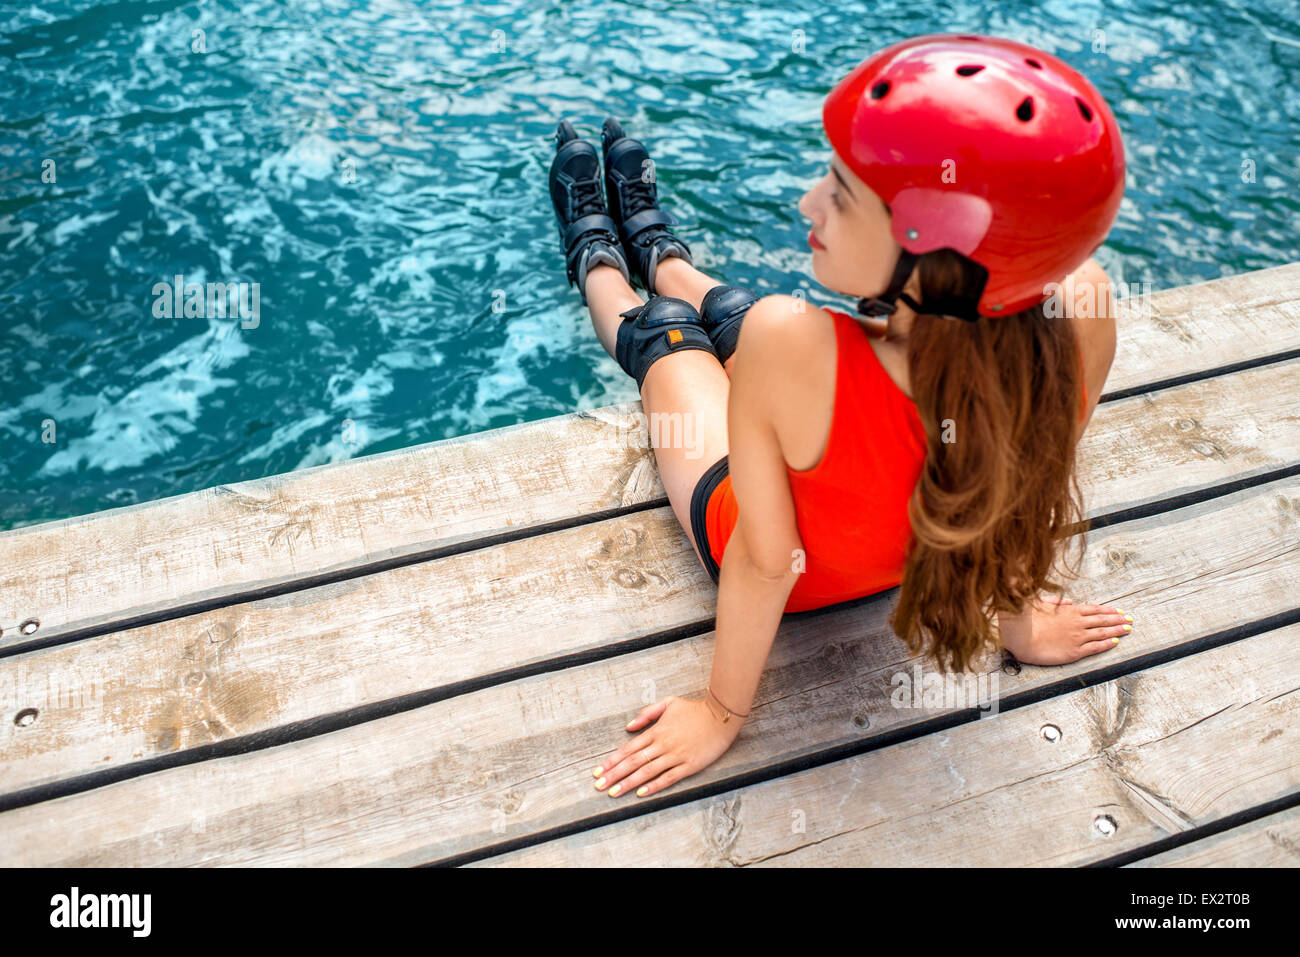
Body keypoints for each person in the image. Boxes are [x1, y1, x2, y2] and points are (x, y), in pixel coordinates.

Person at [547, 33, 1136, 801]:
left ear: (932, 248)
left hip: (767, 550)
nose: (808, 203)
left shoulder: (793, 345)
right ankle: (658, 244)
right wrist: (1018, 623)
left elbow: (766, 561)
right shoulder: (1078, 311)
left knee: (663, 333)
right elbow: (1021, 485)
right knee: (738, 313)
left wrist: (722, 711)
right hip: (879, 534)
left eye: (840, 191)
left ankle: (596, 251)